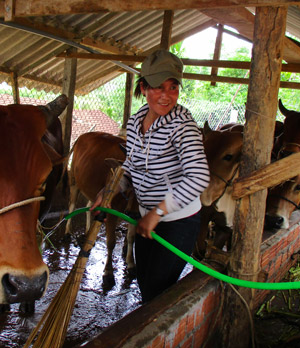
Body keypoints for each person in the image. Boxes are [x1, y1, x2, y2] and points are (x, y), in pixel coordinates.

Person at [91, 50, 210, 303]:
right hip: (147, 217)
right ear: (144, 87)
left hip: (178, 221)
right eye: (158, 87)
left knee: (157, 290)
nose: (166, 96)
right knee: (145, 282)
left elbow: (198, 177)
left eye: (173, 87)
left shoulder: (183, 126)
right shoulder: (135, 123)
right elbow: (131, 166)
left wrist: (159, 212)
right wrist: (109, 192)